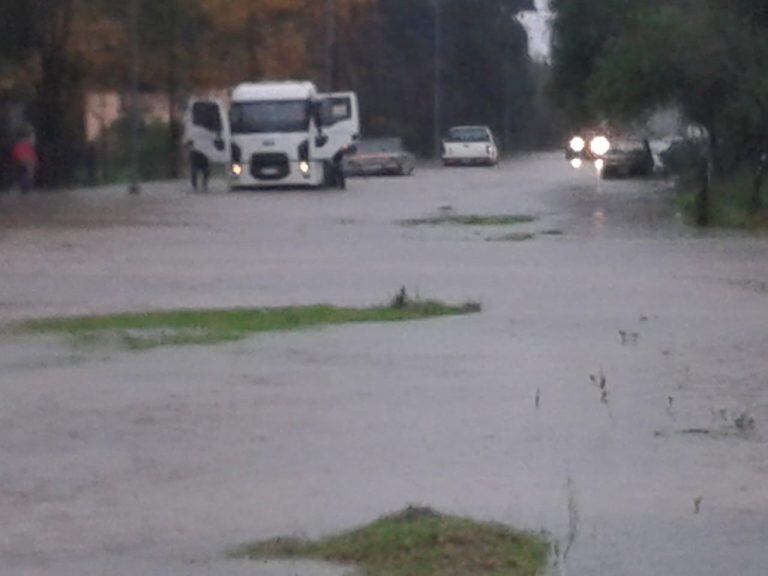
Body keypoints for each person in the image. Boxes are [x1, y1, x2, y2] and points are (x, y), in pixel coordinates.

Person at [11, 129, 37, 194]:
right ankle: (20, 189)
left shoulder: (27, 146)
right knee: (24, 176)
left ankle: (23, 189)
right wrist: (28, 161)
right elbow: (18, 155)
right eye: (32, 137)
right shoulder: (23, 145)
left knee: (26, 176)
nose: (33, 140)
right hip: (23, 163)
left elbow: (32, 156)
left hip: (25, 163)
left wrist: (32, 162)